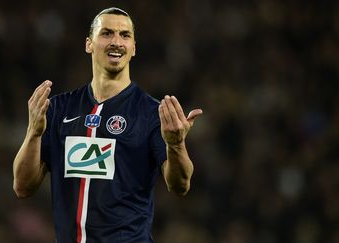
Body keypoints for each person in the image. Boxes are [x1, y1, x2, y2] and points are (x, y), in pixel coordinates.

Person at [12, 7, 202, 243]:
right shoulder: (59, 109)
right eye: (107, 33)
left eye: (125, 35)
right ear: (88, 44)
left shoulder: (152, 113)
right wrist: (34, 133)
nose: (116, 42)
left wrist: (176, 145)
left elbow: (180, 185)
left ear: (134, 48)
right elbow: (22, 186)